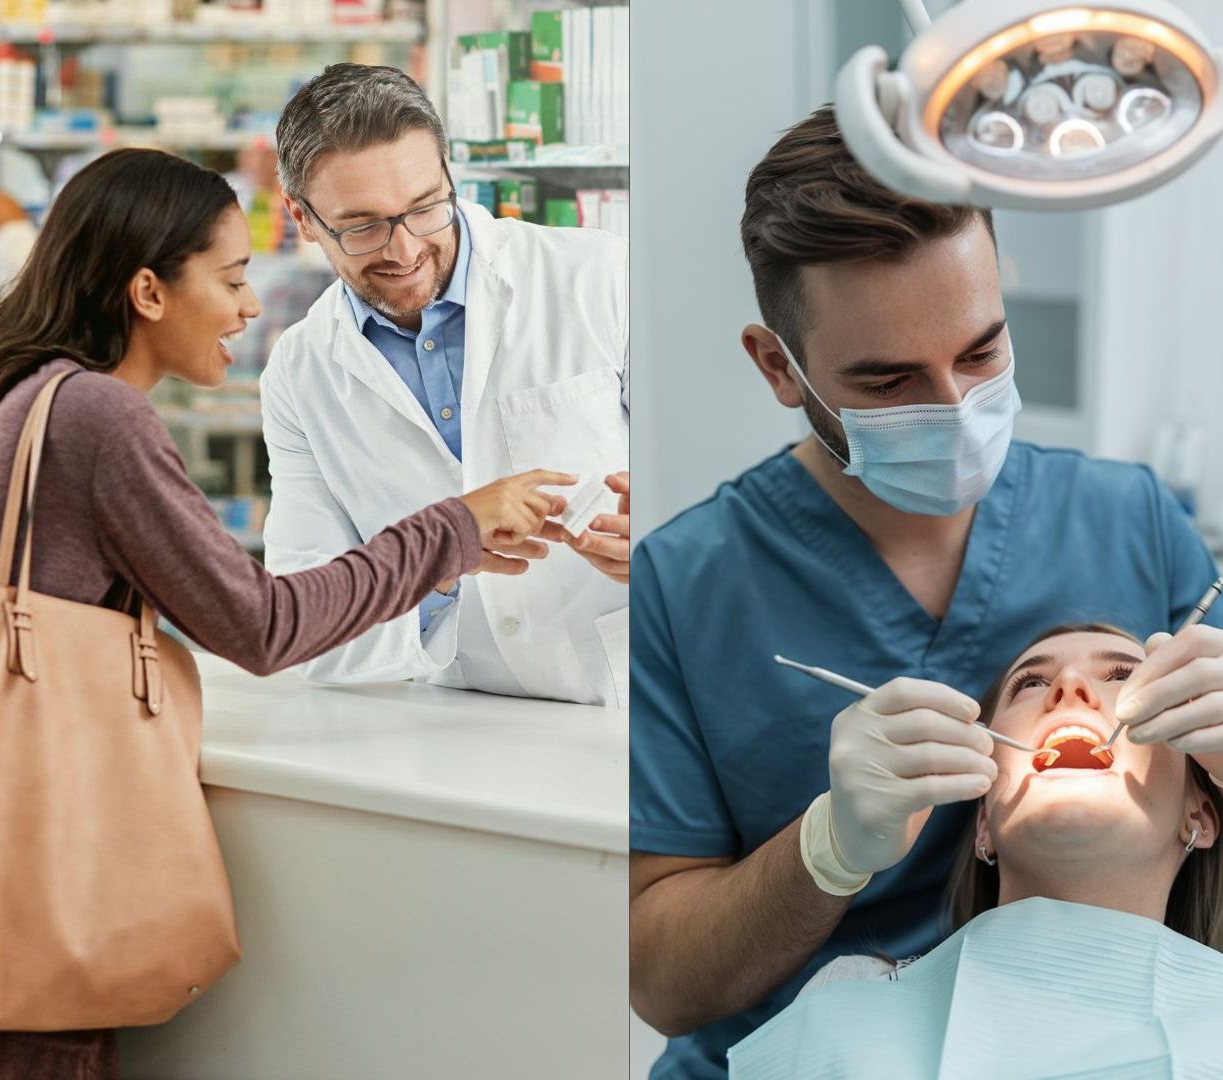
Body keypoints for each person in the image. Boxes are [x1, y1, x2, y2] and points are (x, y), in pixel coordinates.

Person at [626, 105, 1223, 1079]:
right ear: (779, 365)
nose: (955, 408)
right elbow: (662, 983)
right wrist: (826, 850)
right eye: (891, 380)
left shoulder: (1132, 522)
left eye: (981, 351)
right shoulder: (686, 587)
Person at [0, 146, 574, 1080]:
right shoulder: (98, 419)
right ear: (148, 291)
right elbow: (263, 625)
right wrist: (453, 527)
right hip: (47, 898)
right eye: (233, 277)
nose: (252, 308)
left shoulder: (33, 396)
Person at [261, 63, 630, 706]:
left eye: (426, 207)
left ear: (450, 178)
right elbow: (300, 621)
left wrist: (664, 542)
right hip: (458, 719)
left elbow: (717, 497)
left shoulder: (599, 277)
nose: (403, 251)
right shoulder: (300, 373)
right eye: (362, 225)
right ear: (302, 217)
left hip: (626, 702)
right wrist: (438, 560)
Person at [729, 624, 1223, 1076]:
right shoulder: (856, 991)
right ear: (984, 822)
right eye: (1029, 683)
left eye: (1122, 676)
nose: (1070, 685)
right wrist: (830, 847)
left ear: (1199, 815)